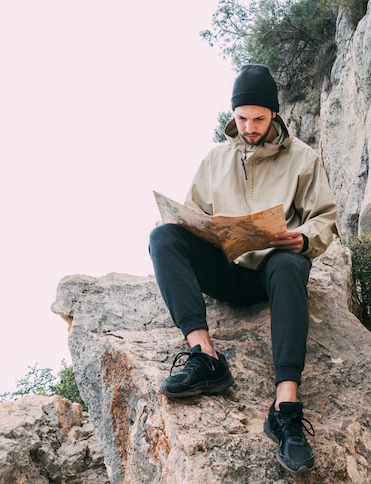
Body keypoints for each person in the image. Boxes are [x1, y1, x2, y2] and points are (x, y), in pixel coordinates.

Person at [149, 64, 337, 474]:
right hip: (226, 272)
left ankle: (285, 408)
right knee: (163, 237)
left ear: (274, 115)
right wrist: (195, 227)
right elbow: (192, 216)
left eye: (259, 118)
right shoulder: (215, 159)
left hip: (273, 272)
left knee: (290, 262)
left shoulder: (303, 159)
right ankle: (205, 357)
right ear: (232, 115)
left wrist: (302, 238)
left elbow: (324, 218)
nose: (249, 127)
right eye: (241, 118)